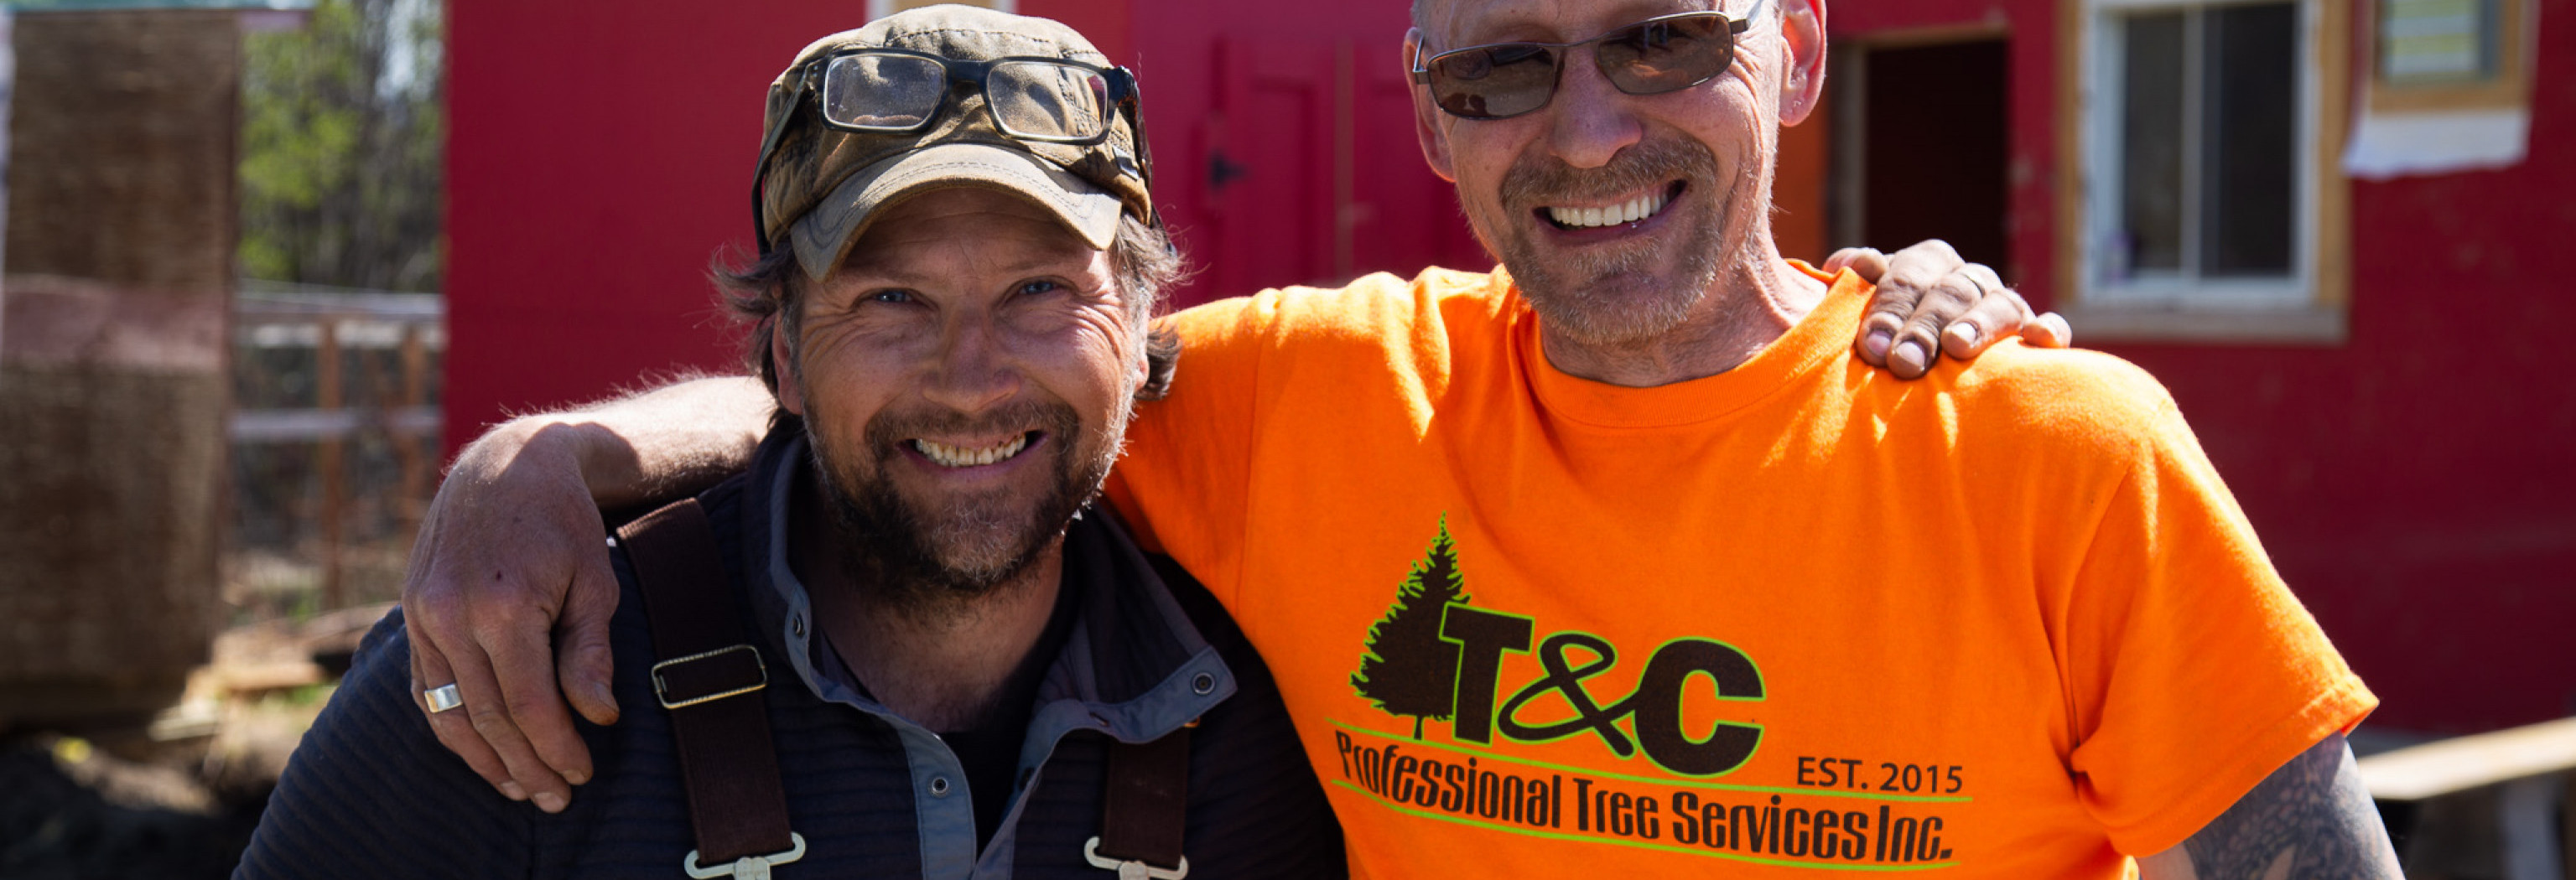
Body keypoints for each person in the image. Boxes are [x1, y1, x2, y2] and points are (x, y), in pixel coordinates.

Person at [406, 0, 2408, 877]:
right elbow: (962, 384)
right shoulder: (1317, 398)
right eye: (1508, 68)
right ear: (1434, 115)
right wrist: (561, 454)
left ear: (1790, 50)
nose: (1592, 129)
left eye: (1663, 41)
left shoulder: (2055, 449)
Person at [236, 11, 1350, 877]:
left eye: (1041, 289)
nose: (971, 377)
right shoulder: (517, 681)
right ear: (779, 351)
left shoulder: (1240, 725)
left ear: (1144, 324)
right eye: (892, 298)